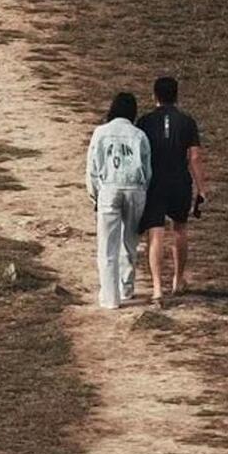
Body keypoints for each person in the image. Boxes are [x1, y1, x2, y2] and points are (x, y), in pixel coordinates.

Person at [138, 74, 206, 304]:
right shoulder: (187, 122)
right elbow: (195, 157)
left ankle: (157, 287)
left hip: (155, 183)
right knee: (180, 229)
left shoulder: (145, 121)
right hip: (180, 181)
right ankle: (178, 279)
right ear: (177, 95)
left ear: (154, 96)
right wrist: (201, 188)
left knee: (155, 232)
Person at [85, 92, 151, 311]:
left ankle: (110, 297)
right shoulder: (139, 135)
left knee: (107, 245)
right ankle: (127, 287)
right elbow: (147, 169)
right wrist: (143, 191)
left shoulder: (101, 133)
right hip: (134, 189)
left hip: (110, 188)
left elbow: (93, 168)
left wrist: (94, 195)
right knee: (129, 240)